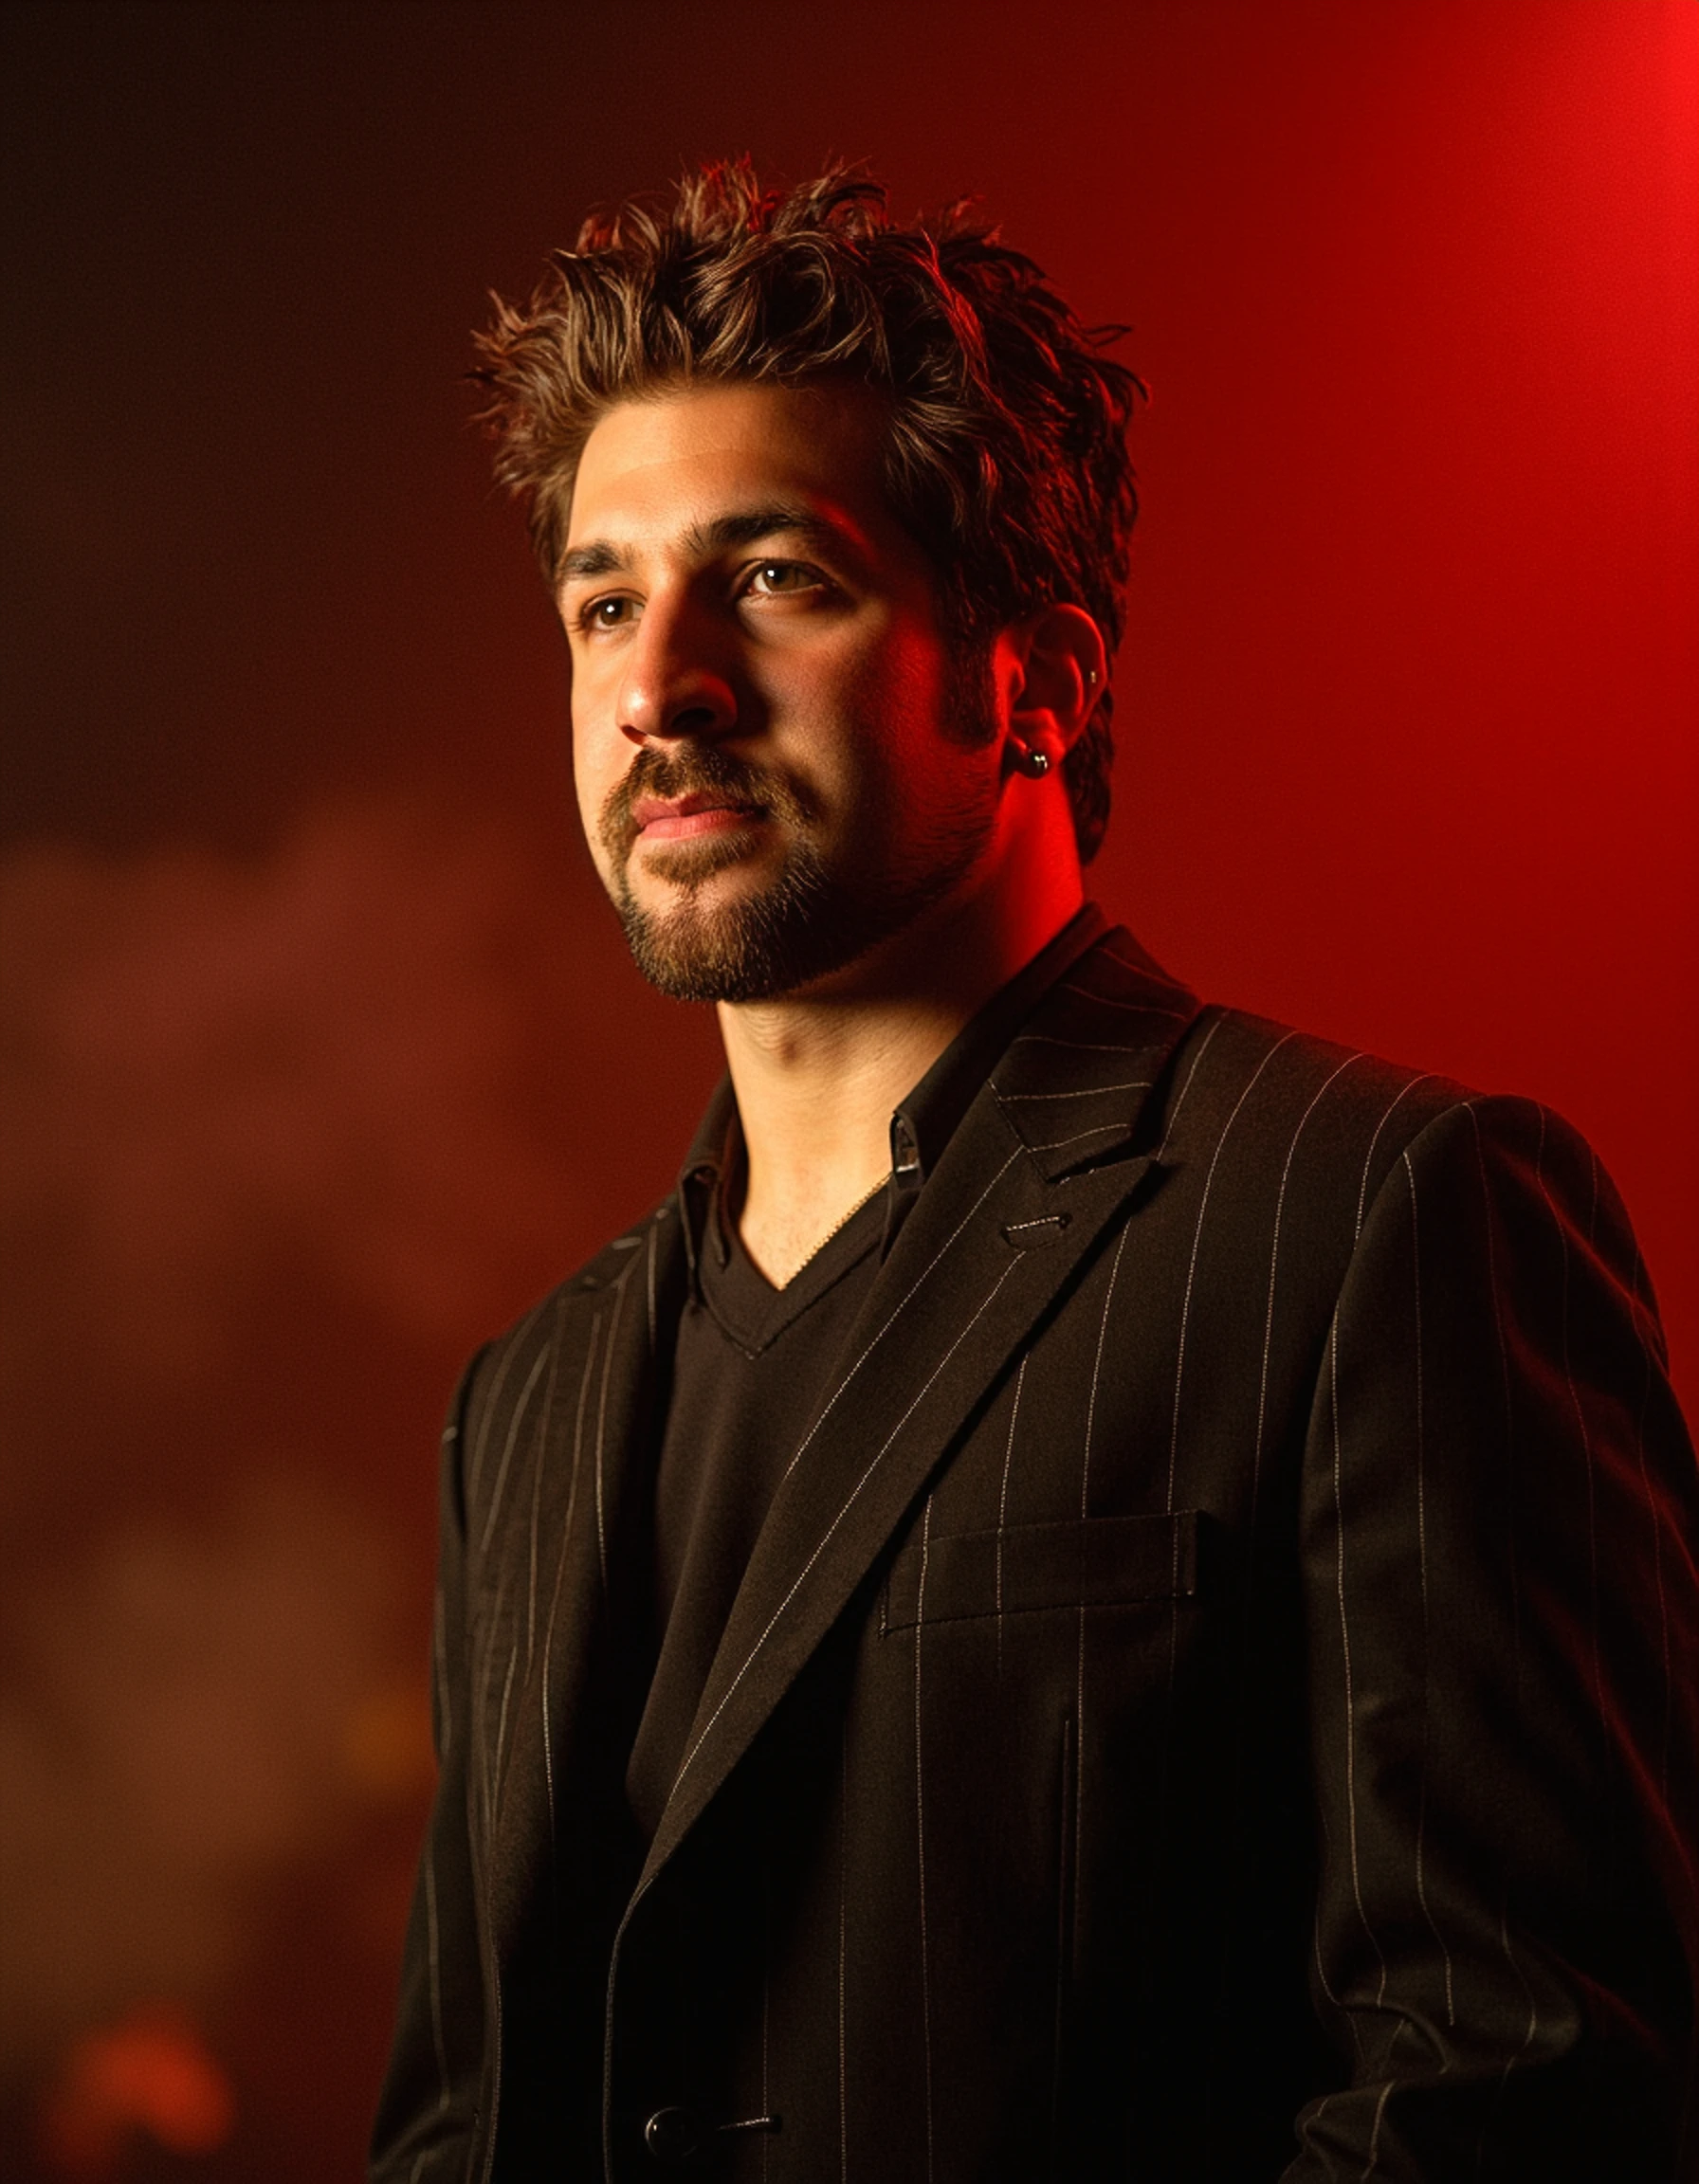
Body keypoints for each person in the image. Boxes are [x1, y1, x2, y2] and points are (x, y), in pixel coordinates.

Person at [371, 163, 1698, 2182]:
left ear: (1041, 678)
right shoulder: (524, 1408)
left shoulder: (1375, 1220)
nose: (660, 690)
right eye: (605, 601)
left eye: (779, 577)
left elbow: (1526, 2095)